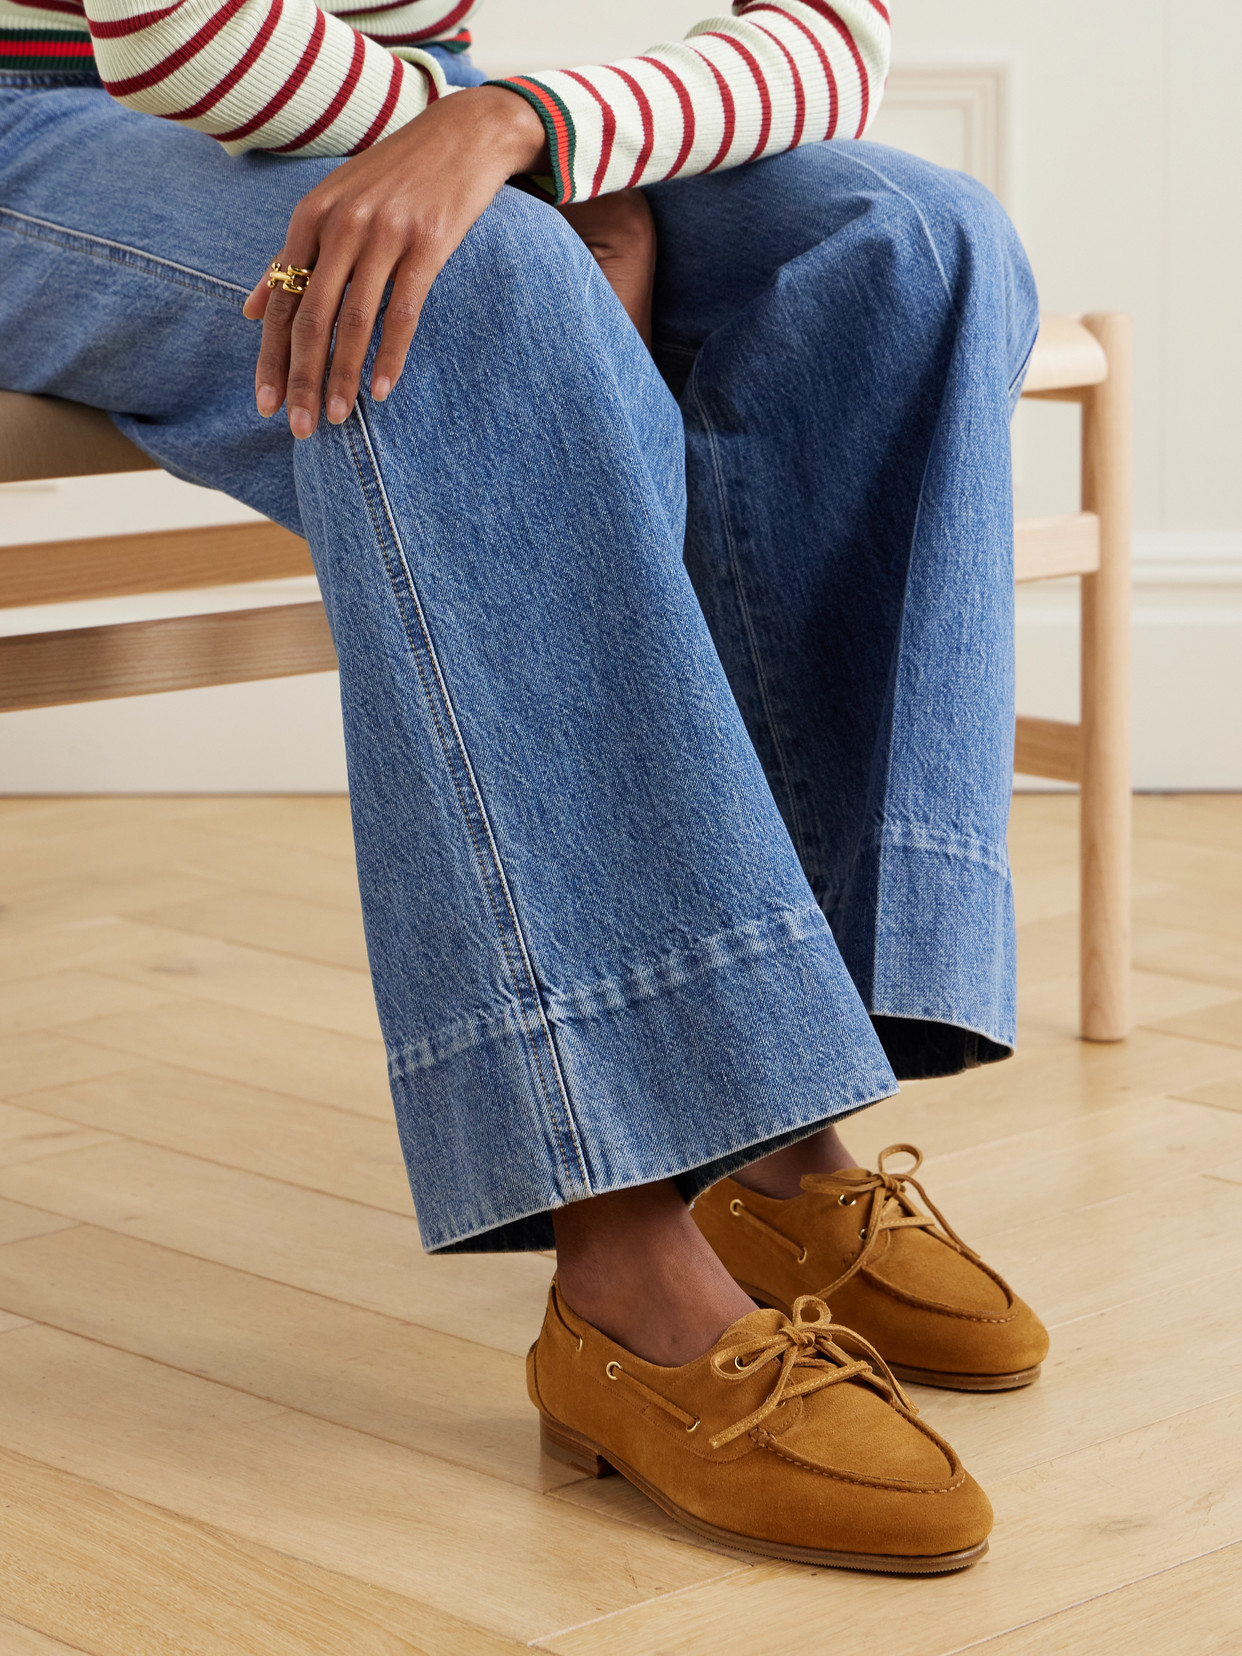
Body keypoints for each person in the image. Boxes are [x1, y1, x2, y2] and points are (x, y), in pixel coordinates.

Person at [0, 0, 1049, 1572]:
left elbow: (833, 32)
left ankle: (775, 1134)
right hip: (51, 115)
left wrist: (528, 134)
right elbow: (179, 39)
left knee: (905, 239)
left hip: (438, 106)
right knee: (475, 290)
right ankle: (623, 1259)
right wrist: (516, 187)